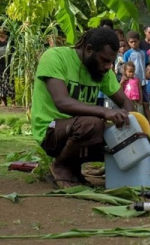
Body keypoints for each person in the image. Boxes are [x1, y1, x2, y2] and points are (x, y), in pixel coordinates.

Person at [31, 27, 134, 188]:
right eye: (105, 60)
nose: (108, 66)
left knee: (119, 140)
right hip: (51, 130)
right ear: (88, 49)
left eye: (111, 62)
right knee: (93, 124)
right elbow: (62, 102)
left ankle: (74, 169)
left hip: (80, 129)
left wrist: (132, 126)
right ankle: (61, 166)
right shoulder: (55, 57)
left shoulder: (102, 72)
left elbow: (125, 102)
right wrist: (105, 112)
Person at [124, 31, 149, 116]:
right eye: (131, 42)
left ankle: (148, 121)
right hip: (132, 82)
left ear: (139, 41)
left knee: (145, 102)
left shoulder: (143, 53)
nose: (134, 43)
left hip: (142, 81)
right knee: (132, 100)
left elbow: (145, 65)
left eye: (135, 41)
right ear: (128, 42)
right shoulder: (127, 54)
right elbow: (125, 67)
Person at [0, 28, 15, 107]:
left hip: (8, 66)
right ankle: (3, 102)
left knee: (10, 83)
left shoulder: (9, 40)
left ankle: (13, 102)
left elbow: (12, 52)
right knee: (0, 84)